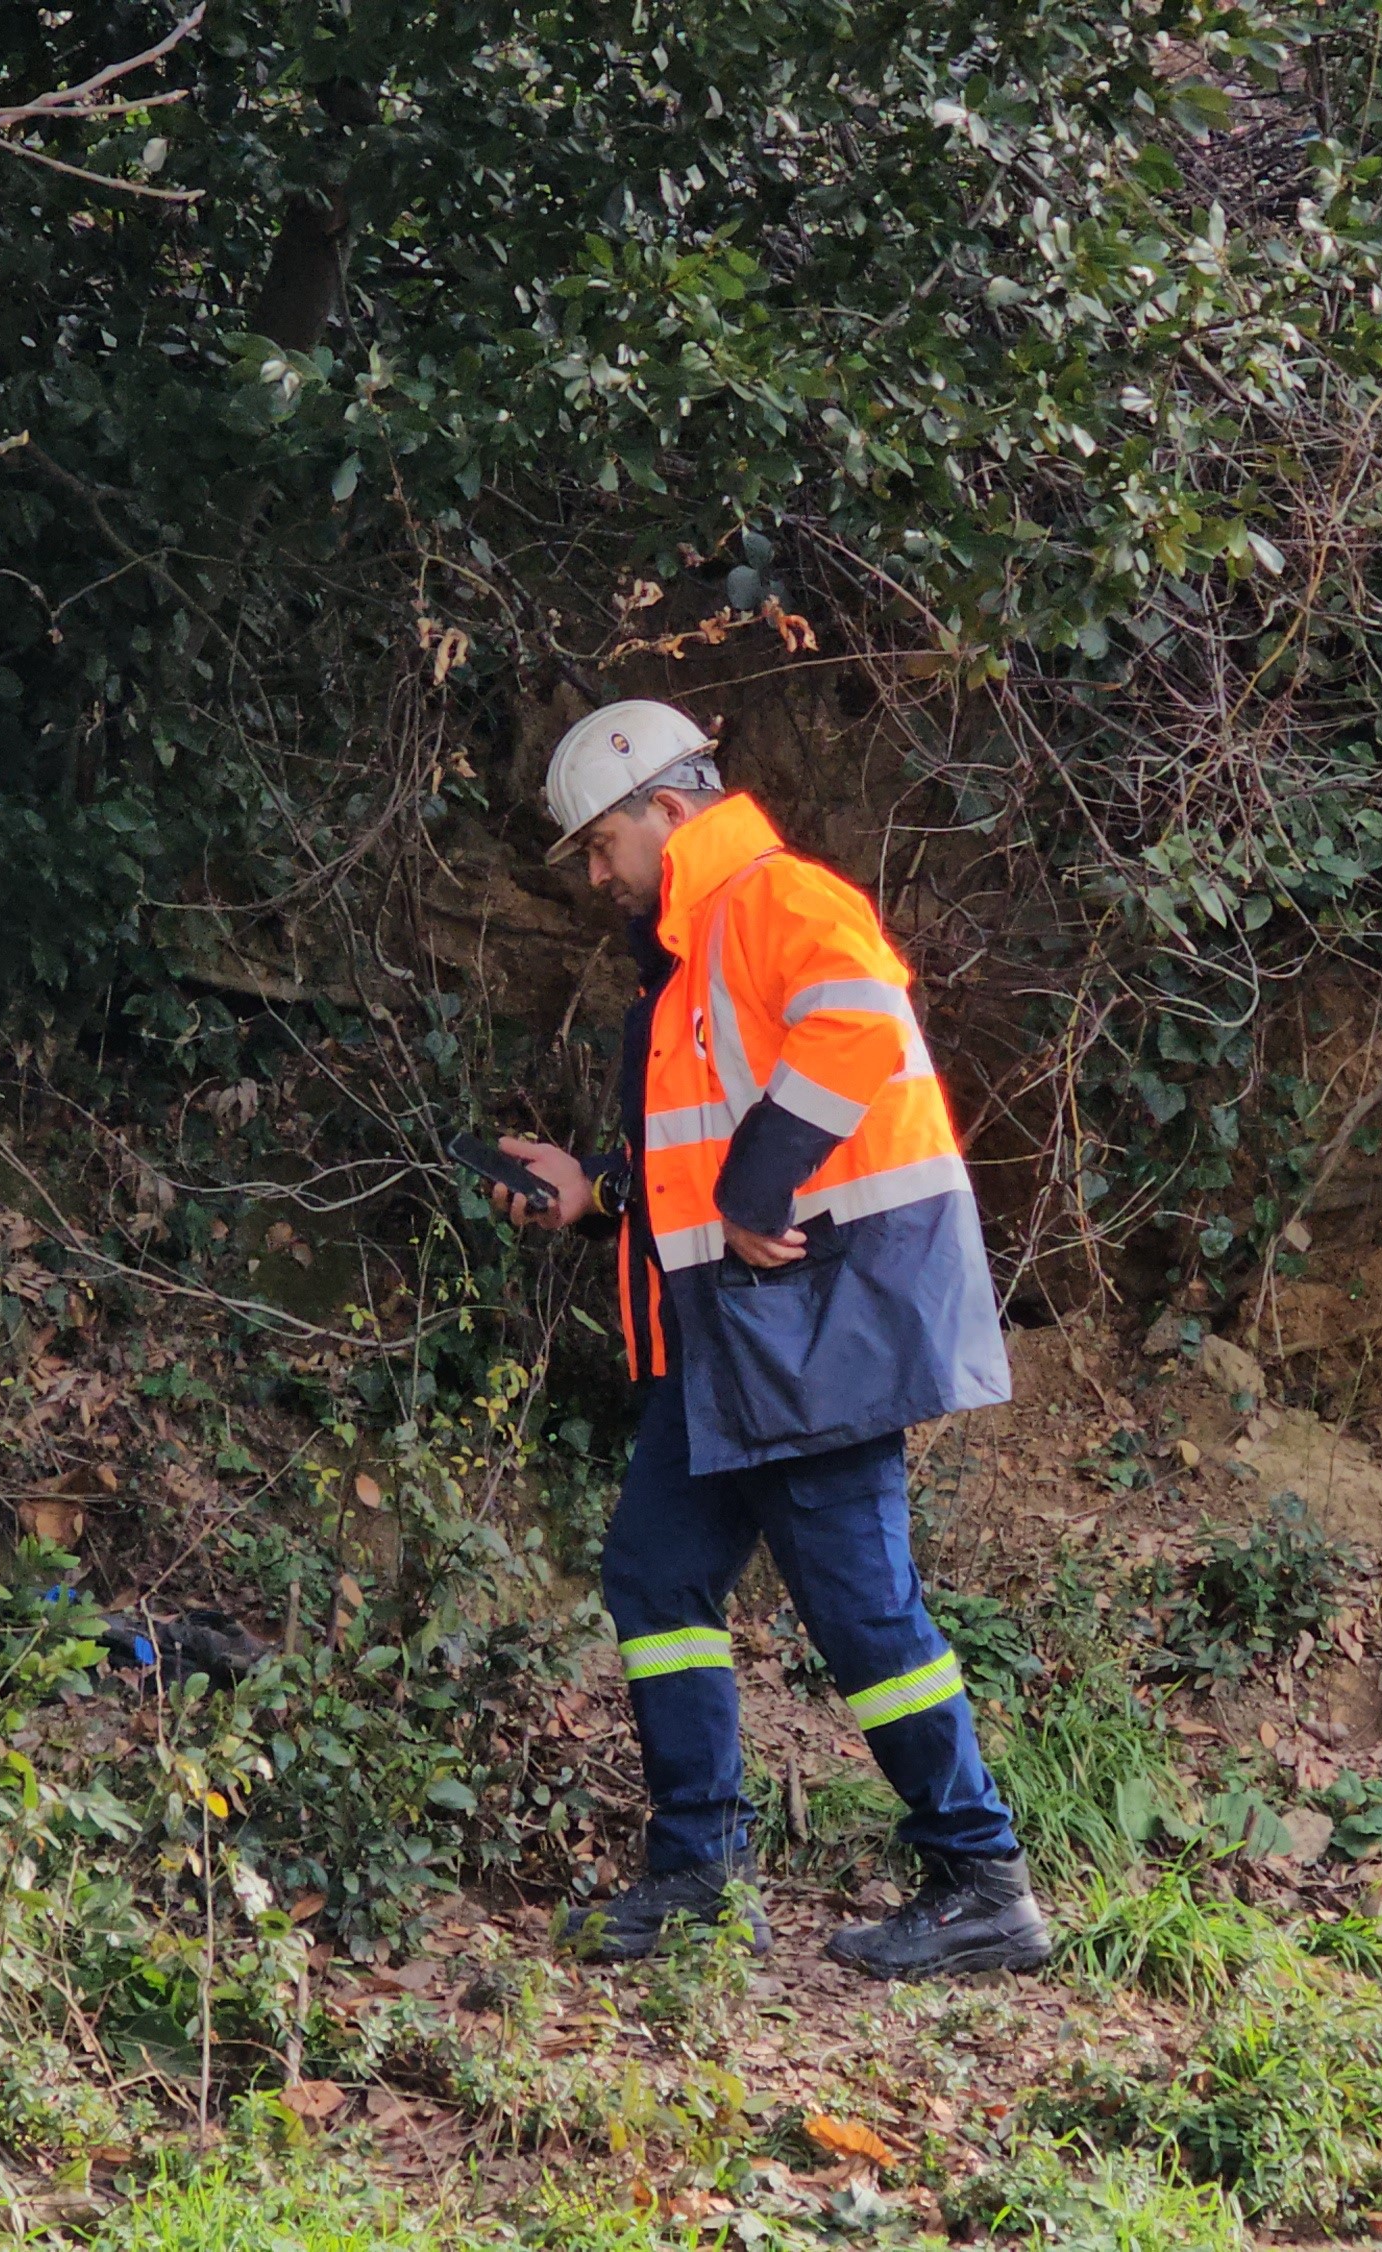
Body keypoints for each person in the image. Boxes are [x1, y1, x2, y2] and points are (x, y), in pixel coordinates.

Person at [488, 698, 1048, 1980]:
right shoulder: (696, 951)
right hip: (735, 1346)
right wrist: (596, 1197)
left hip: (809, 1338)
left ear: (665, 813)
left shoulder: (772, 899)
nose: (593, 873)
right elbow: (702, 1170)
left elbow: (859, 1016)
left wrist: (755, 1186)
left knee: (863, 1611)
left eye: (598, 844)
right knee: (655, 1575)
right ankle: (697, 1870)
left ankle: (981, 1878)